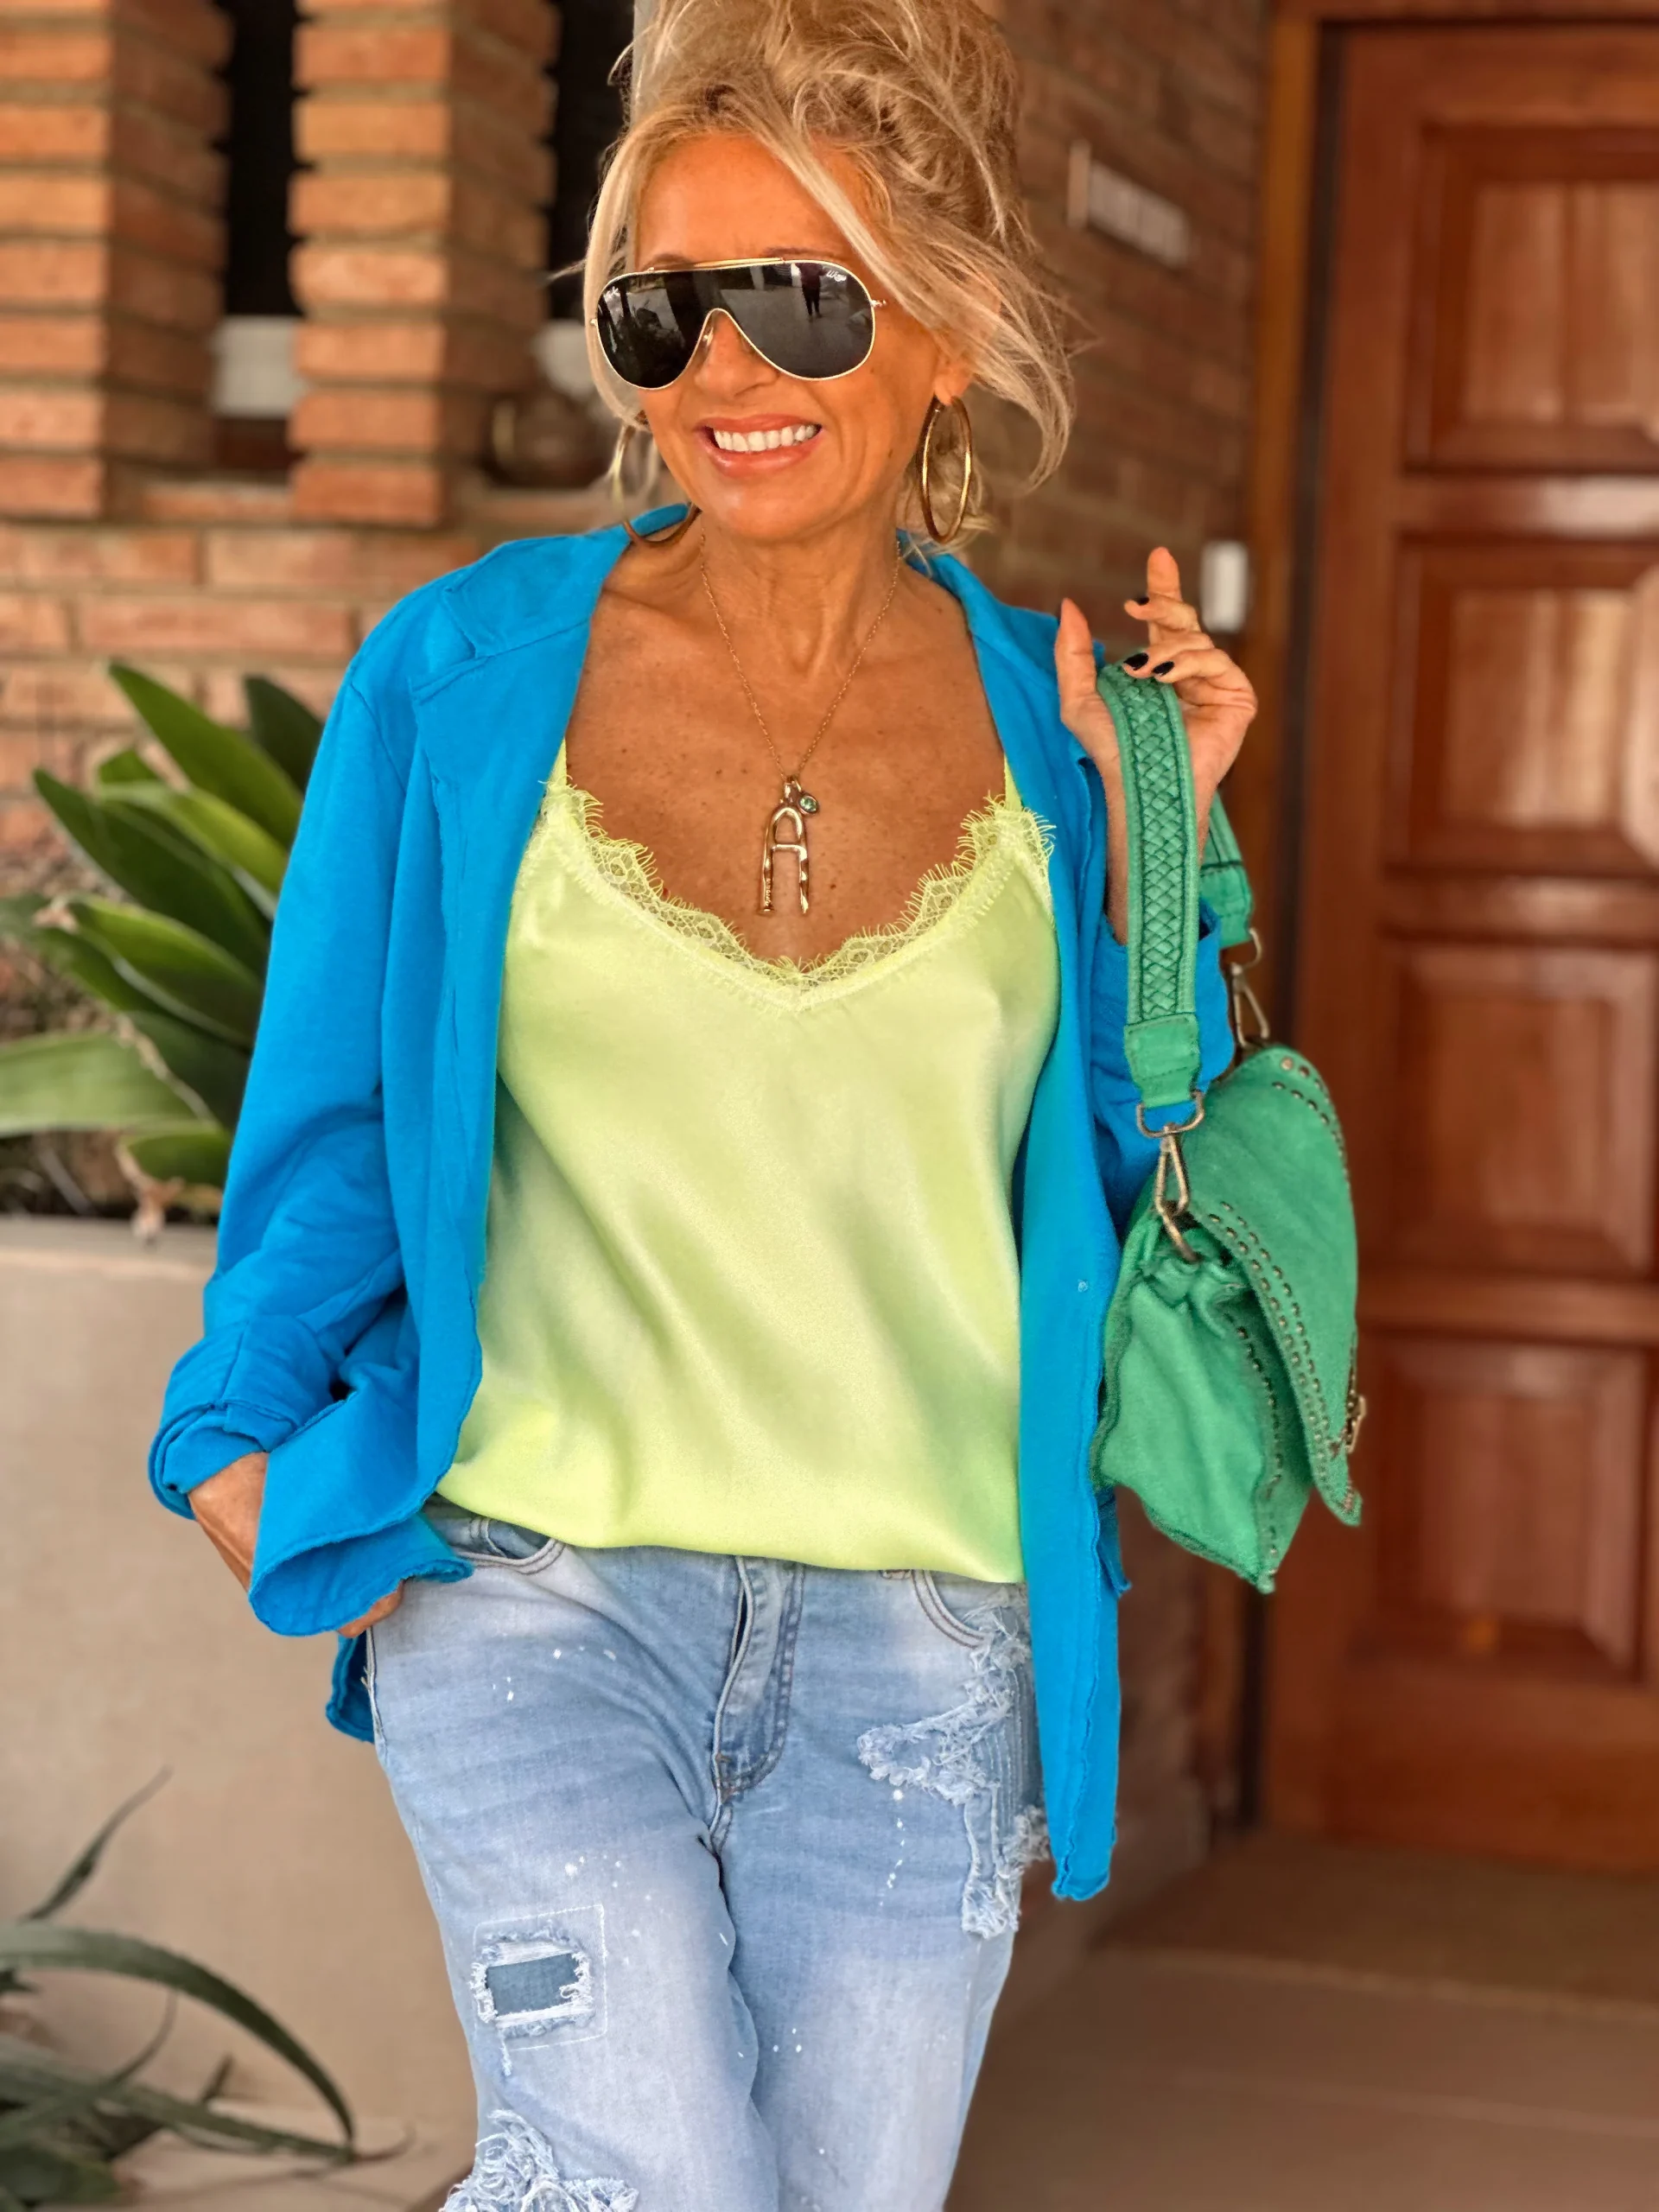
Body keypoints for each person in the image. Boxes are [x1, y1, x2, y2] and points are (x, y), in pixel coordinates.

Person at [152, 0, 1256, 2203]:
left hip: (926, 1634)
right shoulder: (463, 675)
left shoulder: (1069, 740)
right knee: (648, 2173)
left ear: (948, 335)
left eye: (801, 299)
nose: (726, 367)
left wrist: (1170, 855)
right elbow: (338, 1119)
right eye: (663, 311)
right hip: (537, 1589)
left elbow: (1146, 1201)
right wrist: (232, 1435)